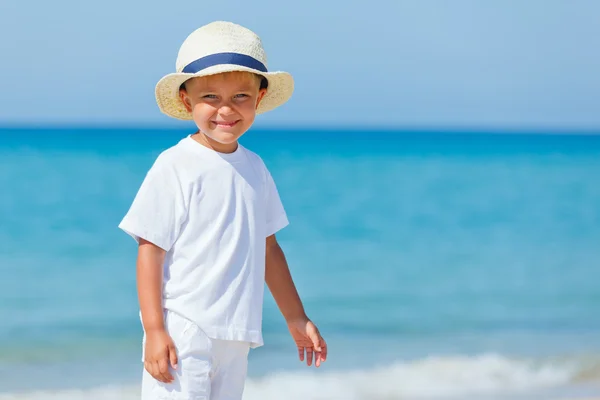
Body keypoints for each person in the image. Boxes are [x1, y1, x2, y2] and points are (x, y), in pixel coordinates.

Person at [118, 21, 327, 400]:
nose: (226, 110)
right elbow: (150, 249)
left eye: (241, 97)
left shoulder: (256, 169)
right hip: (184, 330)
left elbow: (269, 250)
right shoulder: (176, 165)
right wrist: (154, 330)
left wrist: (296, 317)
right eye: (210, 97)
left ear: (260, 98)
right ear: (187, 101)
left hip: (237, 335)